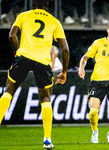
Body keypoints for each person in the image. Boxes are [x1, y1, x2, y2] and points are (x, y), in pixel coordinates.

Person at [0, 0, 70, 149]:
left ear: (33, 4)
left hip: (23, 57)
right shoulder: (54, 21)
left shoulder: (24, 15)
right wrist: (64, 71)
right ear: (48, 5)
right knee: (45, 99)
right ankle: (47, 140)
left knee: (8, 92)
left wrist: (16, 52)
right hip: (42, 62)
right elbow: (65, 49)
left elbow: (12, 35)